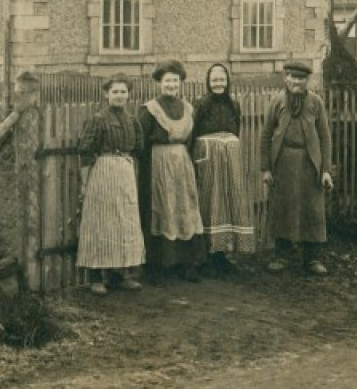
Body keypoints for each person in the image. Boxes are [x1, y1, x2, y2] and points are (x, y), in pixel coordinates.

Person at [260, 60, 335, 276]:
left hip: (310, 163)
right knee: (283, 207)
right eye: (292, 77)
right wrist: (266, 168)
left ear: (307, 80)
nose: (296, 82)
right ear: (285, 78)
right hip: (283, 161)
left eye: (301, 78)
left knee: (312, 210)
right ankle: (281, 256)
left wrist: (326, 170)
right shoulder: (277, 102)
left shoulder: (315, 103)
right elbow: (265, 135)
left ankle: (312, 259)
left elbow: (324, 137)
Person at [137, 59, 206, 283]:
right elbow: (141, 144)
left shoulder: (187, 108)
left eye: (175, 81)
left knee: (184, 208)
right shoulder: (149, 110)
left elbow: (192, 140)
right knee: (163, 208)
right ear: (159, 82)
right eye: (167, 81)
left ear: (180, 83)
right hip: (158, 164)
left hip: (182, 163)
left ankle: (187, 264)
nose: (171, 85)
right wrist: (147, 174)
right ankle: (160, 267)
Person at [76, 76, 146, 296]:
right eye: (115, 92)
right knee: (101, 222)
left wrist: (130, 169)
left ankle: (119, 275)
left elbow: (139, 149)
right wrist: (85, 183)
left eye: (123, 92)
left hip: (125, 172)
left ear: (129, 95)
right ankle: (96, 277)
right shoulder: (98, 120)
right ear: (106, 94)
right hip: (103, 171)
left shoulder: (133, 120)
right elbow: (86, 152)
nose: (119, 96)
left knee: (124, 222)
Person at [192, 62, 255, 271]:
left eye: (222, 80)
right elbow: (193, 133)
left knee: (230, 201)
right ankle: (206, 255)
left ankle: (222, 254)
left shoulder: (234, 105)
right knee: (210, 201)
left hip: (230, 158)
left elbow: (236, 129)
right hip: (209, 159)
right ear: (208, 83)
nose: (218, 84)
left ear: (227, 82)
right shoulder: (200, 104)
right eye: (214, 80)